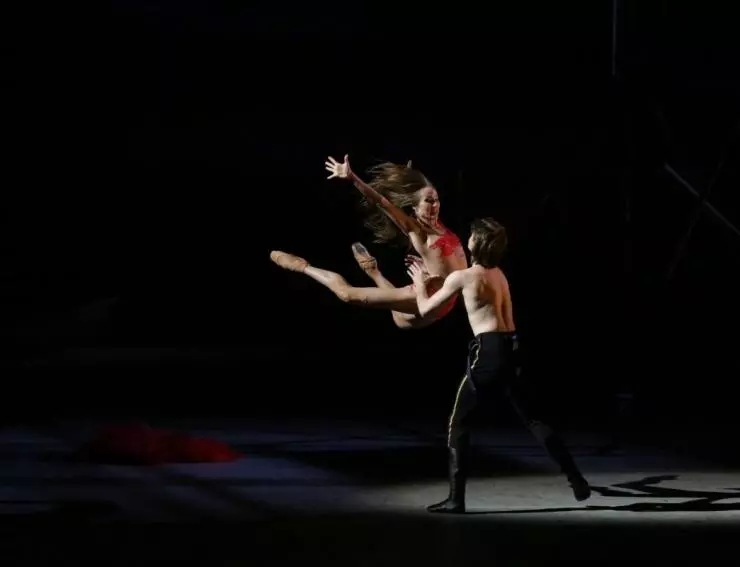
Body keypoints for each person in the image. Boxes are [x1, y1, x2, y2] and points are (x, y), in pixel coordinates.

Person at [407, 217, 591, 513]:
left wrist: (419, 284)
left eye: (471, 234)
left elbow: (425, 309)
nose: (468, 237)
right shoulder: (499, 275)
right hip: (513, 347)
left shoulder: (464, 277)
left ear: (477, 243)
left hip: (489, 351)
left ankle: (456, 499)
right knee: (534, 419)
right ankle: (576, 479)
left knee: (458, 423)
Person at [270, 155, 468, 329]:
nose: (435, 206)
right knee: (347, 295)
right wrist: (351, 177)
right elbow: (381, 202)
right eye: (429, 201)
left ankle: (373, 271)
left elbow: (444, 262)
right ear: (414, 208)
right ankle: (303, 267)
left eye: (436, 200)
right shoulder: (416, 230)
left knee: (397, 313)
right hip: (425, 302)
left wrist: (427, 268)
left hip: (442, 304)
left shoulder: (439, 225)